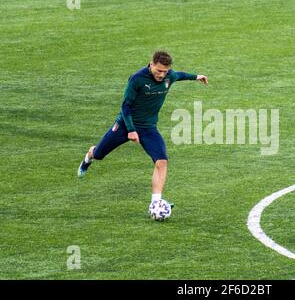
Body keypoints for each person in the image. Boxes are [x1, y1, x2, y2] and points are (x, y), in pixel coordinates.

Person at [77, 50, 208, 213]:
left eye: (165, 71)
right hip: (125, 125)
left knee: (161, 161)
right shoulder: (137, 79)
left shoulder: (169, 76)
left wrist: (197, 76)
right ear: (151, 64)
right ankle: (90, 154)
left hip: (148, 128)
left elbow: (180, 75)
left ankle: (156, 203)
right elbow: (125, 106)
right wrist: (131, 130)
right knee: (99, 155)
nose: (161, 75)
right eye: (159, 70)